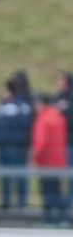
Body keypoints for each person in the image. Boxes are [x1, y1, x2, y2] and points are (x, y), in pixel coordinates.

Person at [0, 76, 32, 211]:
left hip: (17, 147)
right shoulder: (1, 107)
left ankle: (21, 203)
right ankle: (6, 202)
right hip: (3, 147)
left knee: (19, 176)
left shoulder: (20, 107)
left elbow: (22, 127)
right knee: (5, 177)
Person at [31, 95, 67, 225]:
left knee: (47, 192)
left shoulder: (42, 119)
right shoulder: (58, 116)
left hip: (45, 162)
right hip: (58, 161)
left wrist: (34, 159)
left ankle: (48, 219)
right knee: (57, 191)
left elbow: (41, 143)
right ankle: (62, 218)